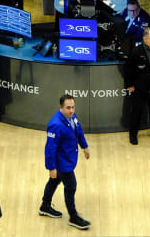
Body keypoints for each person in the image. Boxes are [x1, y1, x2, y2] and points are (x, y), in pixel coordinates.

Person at [40, 94, 91, 231]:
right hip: (62, 162)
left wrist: (85, 146)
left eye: (73, 107)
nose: (71, 110)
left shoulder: (72, 116)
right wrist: (51, 168)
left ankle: (45, 206)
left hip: (68, 158)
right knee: (71, 186)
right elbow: (50, 149)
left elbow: (78, 131)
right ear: (61, 107)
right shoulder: (55, 125)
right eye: (68, 108)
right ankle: (73, 217)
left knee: (54, 181)